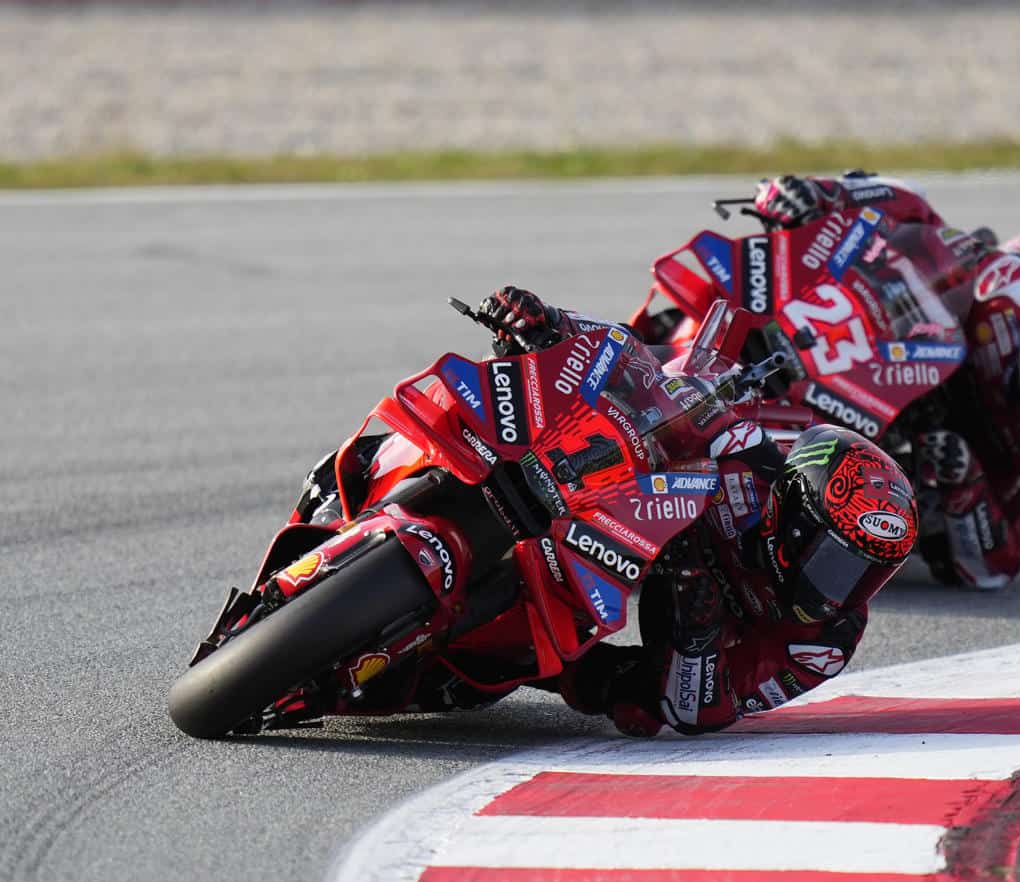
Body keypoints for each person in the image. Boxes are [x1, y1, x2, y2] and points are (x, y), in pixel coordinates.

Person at [297, 285, 918, 736]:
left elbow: (706, 710)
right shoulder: (754, 462)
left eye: (866, 574)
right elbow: (651, 374)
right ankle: (386, 471)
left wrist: (697, 626)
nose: (845, 589)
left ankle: (489, 649)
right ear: (795, 515)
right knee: (527, 416)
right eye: (836, 561)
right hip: (628, 511)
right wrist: (553, 327)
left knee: (630, 702)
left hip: (678, 630)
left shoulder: (827, 641)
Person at [746, 173, 1020, 587]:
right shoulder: (1014, 288)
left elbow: (998, 566)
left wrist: (967, 487)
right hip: (894, 368)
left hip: (931, 480)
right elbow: (917, 212)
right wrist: (827, 195)